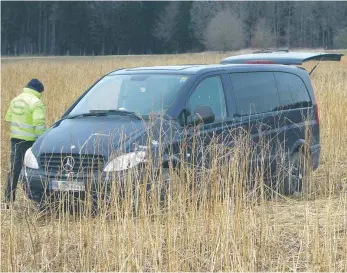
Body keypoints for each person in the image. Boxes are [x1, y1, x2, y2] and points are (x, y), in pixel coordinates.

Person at [4, 79, 46, 206]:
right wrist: (42, 139)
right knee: (34, 169)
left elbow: (9, 119)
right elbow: (38, 124)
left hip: (15, 140)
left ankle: (8, 199)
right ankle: (37, 199)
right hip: (30, 142)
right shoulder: (36, 102)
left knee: (15, 170)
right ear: (39, 91)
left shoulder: (16, 99)